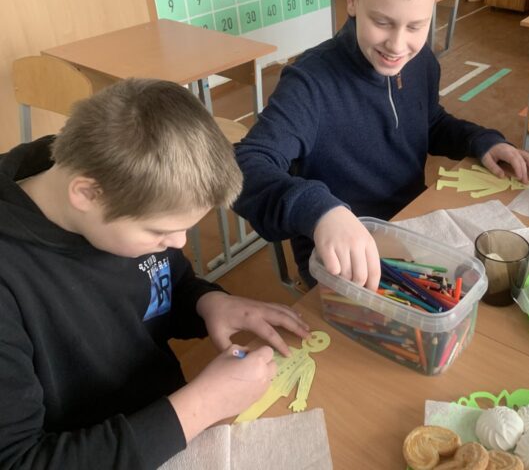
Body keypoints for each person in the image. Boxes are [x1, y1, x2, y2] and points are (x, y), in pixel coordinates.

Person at [0, 79, 310, 469]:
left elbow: (164, 283)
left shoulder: (116, 194)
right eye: (160, 232)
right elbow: (19, 461)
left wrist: (207, 302)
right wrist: (202, 405)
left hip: (164, 428)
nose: (178, 243)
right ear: (87, 194)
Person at [235, 0, 529, 291]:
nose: (397, 45)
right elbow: (246, 165)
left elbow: (428, 122)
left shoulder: (420, 62)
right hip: (345, 263)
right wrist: (319, 210)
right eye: (382, 22)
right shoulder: (310, 82)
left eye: (415, 26)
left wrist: (480, 141)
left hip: (412, 230)